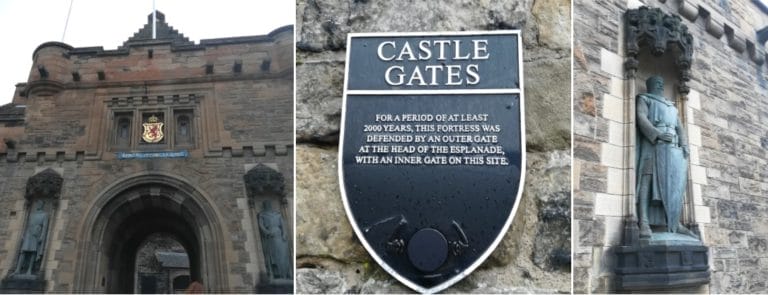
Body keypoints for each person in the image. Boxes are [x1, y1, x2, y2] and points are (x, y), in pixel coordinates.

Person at [635, 76, 696, 239]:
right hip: (653, 145)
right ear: (651, 85)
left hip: (672, 148)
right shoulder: (644, 99)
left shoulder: (671, 106)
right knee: (646, 179)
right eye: (658, 83)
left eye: (662, 83)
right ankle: (644, 222)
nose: (661, 84)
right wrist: (658, 134)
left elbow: (680, 127)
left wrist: (684, 144)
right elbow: (642, 119)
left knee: (674, 183)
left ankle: (674, 222)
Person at [258, 200, 292, 279]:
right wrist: (267, 232)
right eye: (267, 204)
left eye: (269, 204)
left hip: (280, 237)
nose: (268, 205)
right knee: (273, 256)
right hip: (271, 238)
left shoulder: (277, 214)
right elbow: (261, 225)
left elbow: (283, 226)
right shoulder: (262, 215)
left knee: (283, 255)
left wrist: (284, 234)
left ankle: (285, 273)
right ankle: (275, 273)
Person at [15, 200, 49, 275]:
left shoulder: (45, 214)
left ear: (42, 205)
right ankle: (18, 269)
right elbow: (27, 225)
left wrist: (42, 236)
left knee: (33, 252)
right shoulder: (32, 214)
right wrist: (23, 234)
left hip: (37, 234)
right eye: (38, 203)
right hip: (29, 233)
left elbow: (45, 227)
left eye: (40, 204)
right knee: (23, 251)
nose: (39, 205)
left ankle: (29, 270)